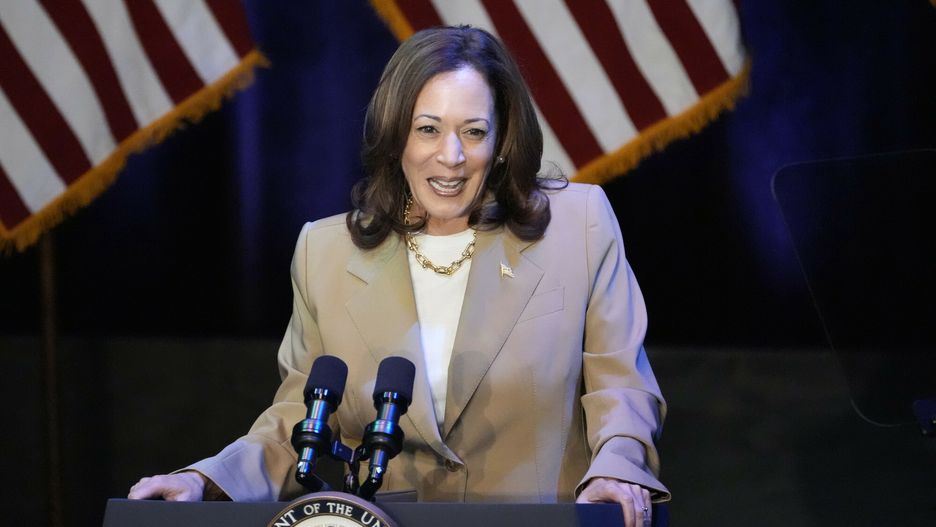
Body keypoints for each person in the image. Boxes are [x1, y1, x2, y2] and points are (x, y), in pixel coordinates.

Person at [129, 25, 669, 527]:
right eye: (428, 129)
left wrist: (618, 466)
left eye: (474, 131)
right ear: (396, 137)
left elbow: (620, 383)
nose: (451, 156)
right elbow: (299, 417)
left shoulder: (578, 224)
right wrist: (206, 479)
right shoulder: (326, 251)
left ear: (502, 141)